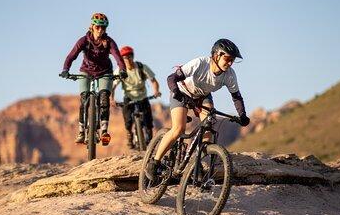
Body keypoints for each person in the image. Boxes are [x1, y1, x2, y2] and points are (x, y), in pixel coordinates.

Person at [145, 38, 250, 181]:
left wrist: (242, 115)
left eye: (233, 60)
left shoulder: (229, 74)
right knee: (179, 129)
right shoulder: (200, 63)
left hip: (202, 96)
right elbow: (171, 78)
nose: (230, 63)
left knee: (209, 125)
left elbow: (236, 97)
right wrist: (176, 92)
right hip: (182, 92)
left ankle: (197, 163)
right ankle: (154, 163)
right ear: (217, 55)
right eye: (228, 58)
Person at [60, 13, 127, 145]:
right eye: (97, 27)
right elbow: (71, 56)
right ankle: (81, 132)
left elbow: (118, 57)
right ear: (92, 27)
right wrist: (65, 69)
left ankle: (104, 131)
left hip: (104, 72)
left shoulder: (109, 42)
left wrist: (123, 70)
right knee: (84, 99)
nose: (100, 30)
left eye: (103, 28)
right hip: (86, 71)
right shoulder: (84, 40)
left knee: (104, 98)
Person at [111, 46, 161, 149]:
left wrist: (156, 91)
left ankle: (150, 143)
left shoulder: (142, 67)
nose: (127, 60)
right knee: (128, 121)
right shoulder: (120, 71)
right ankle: (129, 135)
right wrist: (112, 98)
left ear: (133, 57)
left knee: (148, 122)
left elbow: (153, 81)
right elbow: (113, 86)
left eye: (129, 57)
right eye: (124, 58)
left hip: (142, 97)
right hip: (128, 98)